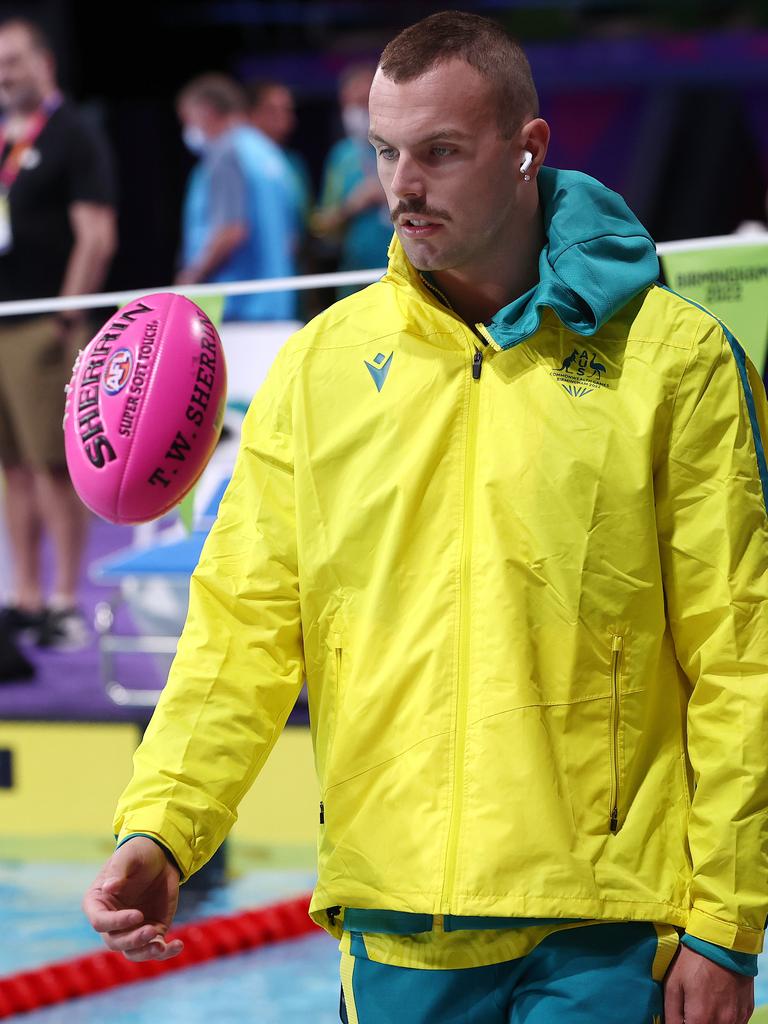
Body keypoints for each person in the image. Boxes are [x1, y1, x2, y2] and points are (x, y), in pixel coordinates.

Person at [83, 12, 766, 1024]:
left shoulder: (676, 360)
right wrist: (164, 828)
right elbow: (242, 632)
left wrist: (726, 922)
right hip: (397, 920)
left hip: (610, 928)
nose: (401, 186)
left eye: (441, 151)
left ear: (529, 148)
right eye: (386, 151)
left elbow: (738, 656)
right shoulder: (322, 370)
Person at [0, 17, 117, 651]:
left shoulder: (75, 134)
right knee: (12, 468)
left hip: (45, 326)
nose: (2, 74)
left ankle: (67, 601)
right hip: (0, 322)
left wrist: (67, 317)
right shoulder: (0, 138)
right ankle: (25, 598)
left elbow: (97, 236)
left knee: (52, 468)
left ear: (43, 61)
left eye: (13, 61)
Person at [175, 73, 299, 322]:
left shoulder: (225, 152)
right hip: (278, 303)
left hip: (237, 307)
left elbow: (231, 231)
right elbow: (292, 238)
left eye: (187, 120)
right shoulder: (271, 155)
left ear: (206, 112)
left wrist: (188, 280)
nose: (187, 130)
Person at [311, 63, 392, 297]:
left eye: (363, 102)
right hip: (356, 279)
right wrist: (352, 206)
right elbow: (323, 225)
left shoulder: (401, 147)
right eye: (349, 103)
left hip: (404, 274)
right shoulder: (342, 156)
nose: (356, 111)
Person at [245, 78, 312, 226]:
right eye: (272, 110)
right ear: (252, 114)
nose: (283, 117)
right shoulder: (241, 163)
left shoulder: (294, 163)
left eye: (287, 110)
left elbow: (305, 217)